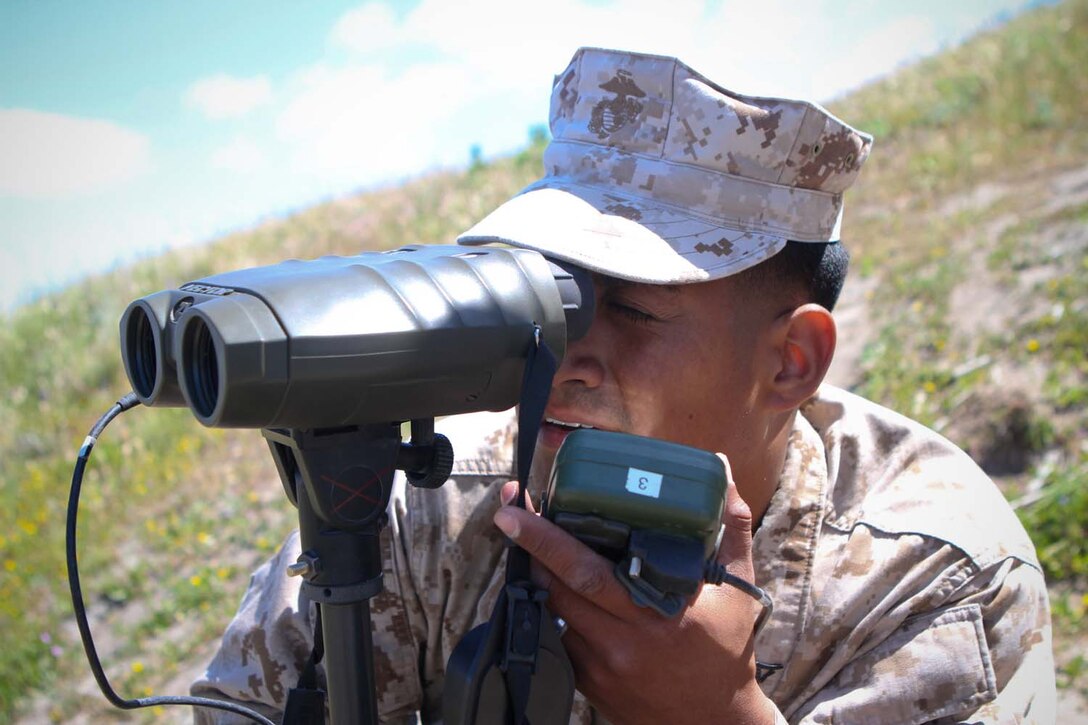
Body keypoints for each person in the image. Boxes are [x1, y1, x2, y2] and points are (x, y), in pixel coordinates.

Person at [191, 47, 1055, 724]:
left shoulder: (930, 578)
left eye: (634, 313)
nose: (567, 355)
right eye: (556, 297)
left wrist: (721, 716)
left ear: (791, 361)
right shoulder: (436, 505)